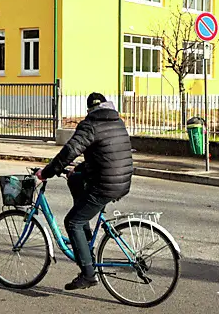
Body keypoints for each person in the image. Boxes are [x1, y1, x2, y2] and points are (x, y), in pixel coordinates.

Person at [36, 92, 133, 291]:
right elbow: (104, 154)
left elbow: (69, 151)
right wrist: (78, 170)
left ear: (89, 110)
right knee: (74, 180)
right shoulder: (117, 121)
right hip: (122, 180)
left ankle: (88, 275)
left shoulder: (90, 125)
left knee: (72, 222)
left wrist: (46, 172)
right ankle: (86, 240)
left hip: (105, 184)